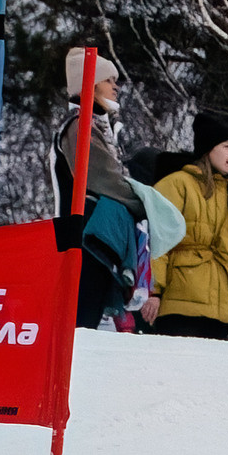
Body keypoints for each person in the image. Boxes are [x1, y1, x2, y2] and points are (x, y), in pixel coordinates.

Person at [50, 50, 149, 329]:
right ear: (90, 87)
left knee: (93, 323)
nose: (116, 87)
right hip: (83, 240)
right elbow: (103, 178)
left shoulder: (97, 127)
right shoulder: (79, 127)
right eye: (109, 80)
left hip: (97, 240)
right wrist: (146, 204)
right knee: (82, 326)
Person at [150, 112, 228, 339]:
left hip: (223, 306)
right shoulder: (177, 183)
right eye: (226, 146)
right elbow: (157, 239)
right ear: (208, 148)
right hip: (181, 301)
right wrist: (154, 291)